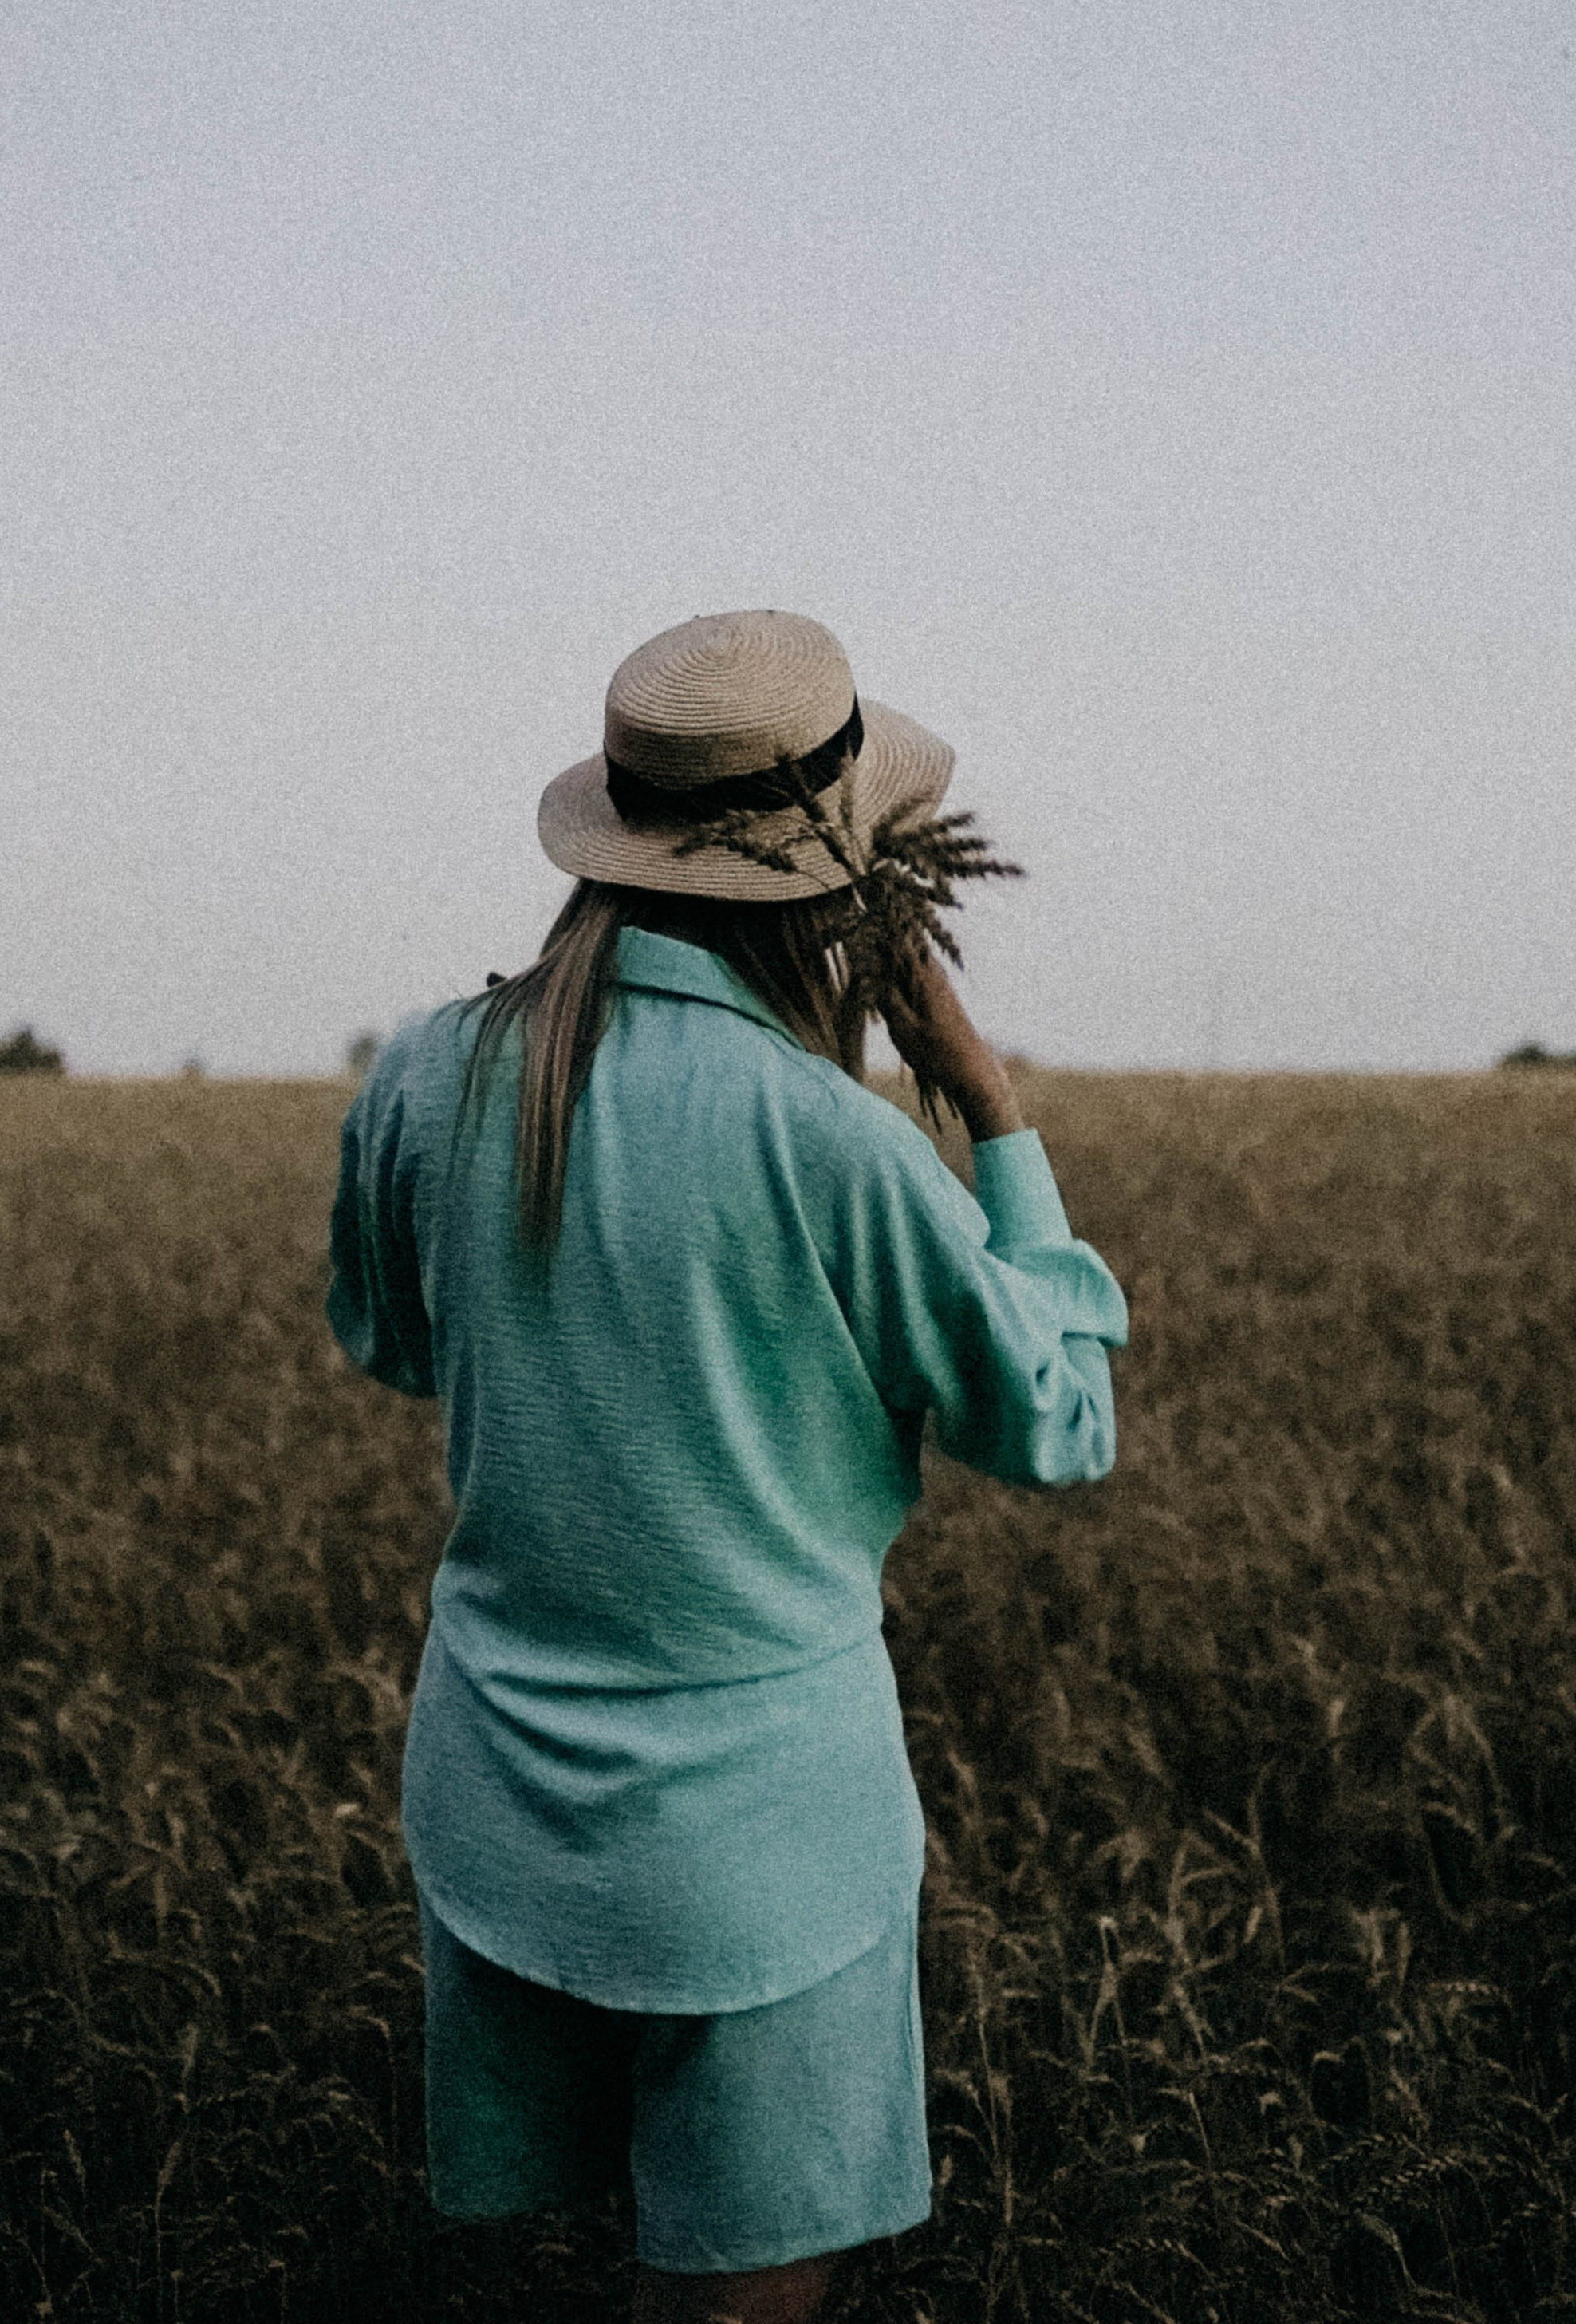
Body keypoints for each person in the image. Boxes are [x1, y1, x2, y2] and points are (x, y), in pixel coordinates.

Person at [326, 609, 1128, 2322]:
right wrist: (982, 1099)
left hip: (499, 1793)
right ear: (852, 891)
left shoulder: (417, 1078)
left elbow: (392, 1345)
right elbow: (1059, 1426)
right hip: (765, 1841)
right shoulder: (839, 1143)